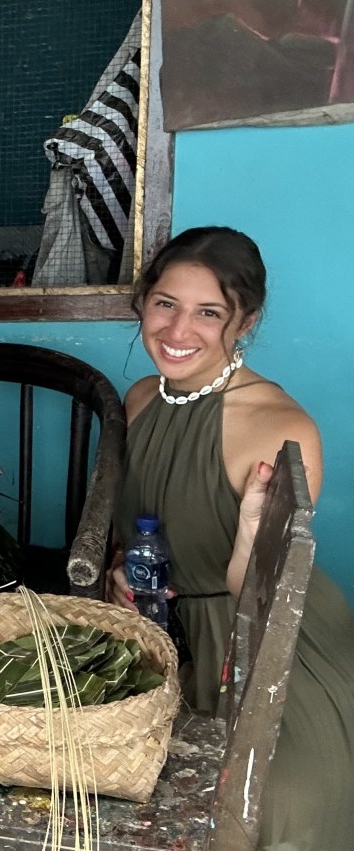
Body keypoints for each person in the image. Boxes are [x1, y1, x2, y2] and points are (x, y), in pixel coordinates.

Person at [109, 226, 354, 849]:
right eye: (165, 304)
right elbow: (137, 529)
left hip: (262, 644)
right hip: (162, 634)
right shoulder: (140, 399)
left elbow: (268, 599)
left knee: (273, 803)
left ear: (245, 320)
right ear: (143, 302)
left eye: (208, 313)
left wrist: (246, 538)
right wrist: (121, 573)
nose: (177, 330)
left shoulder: (279, 426)